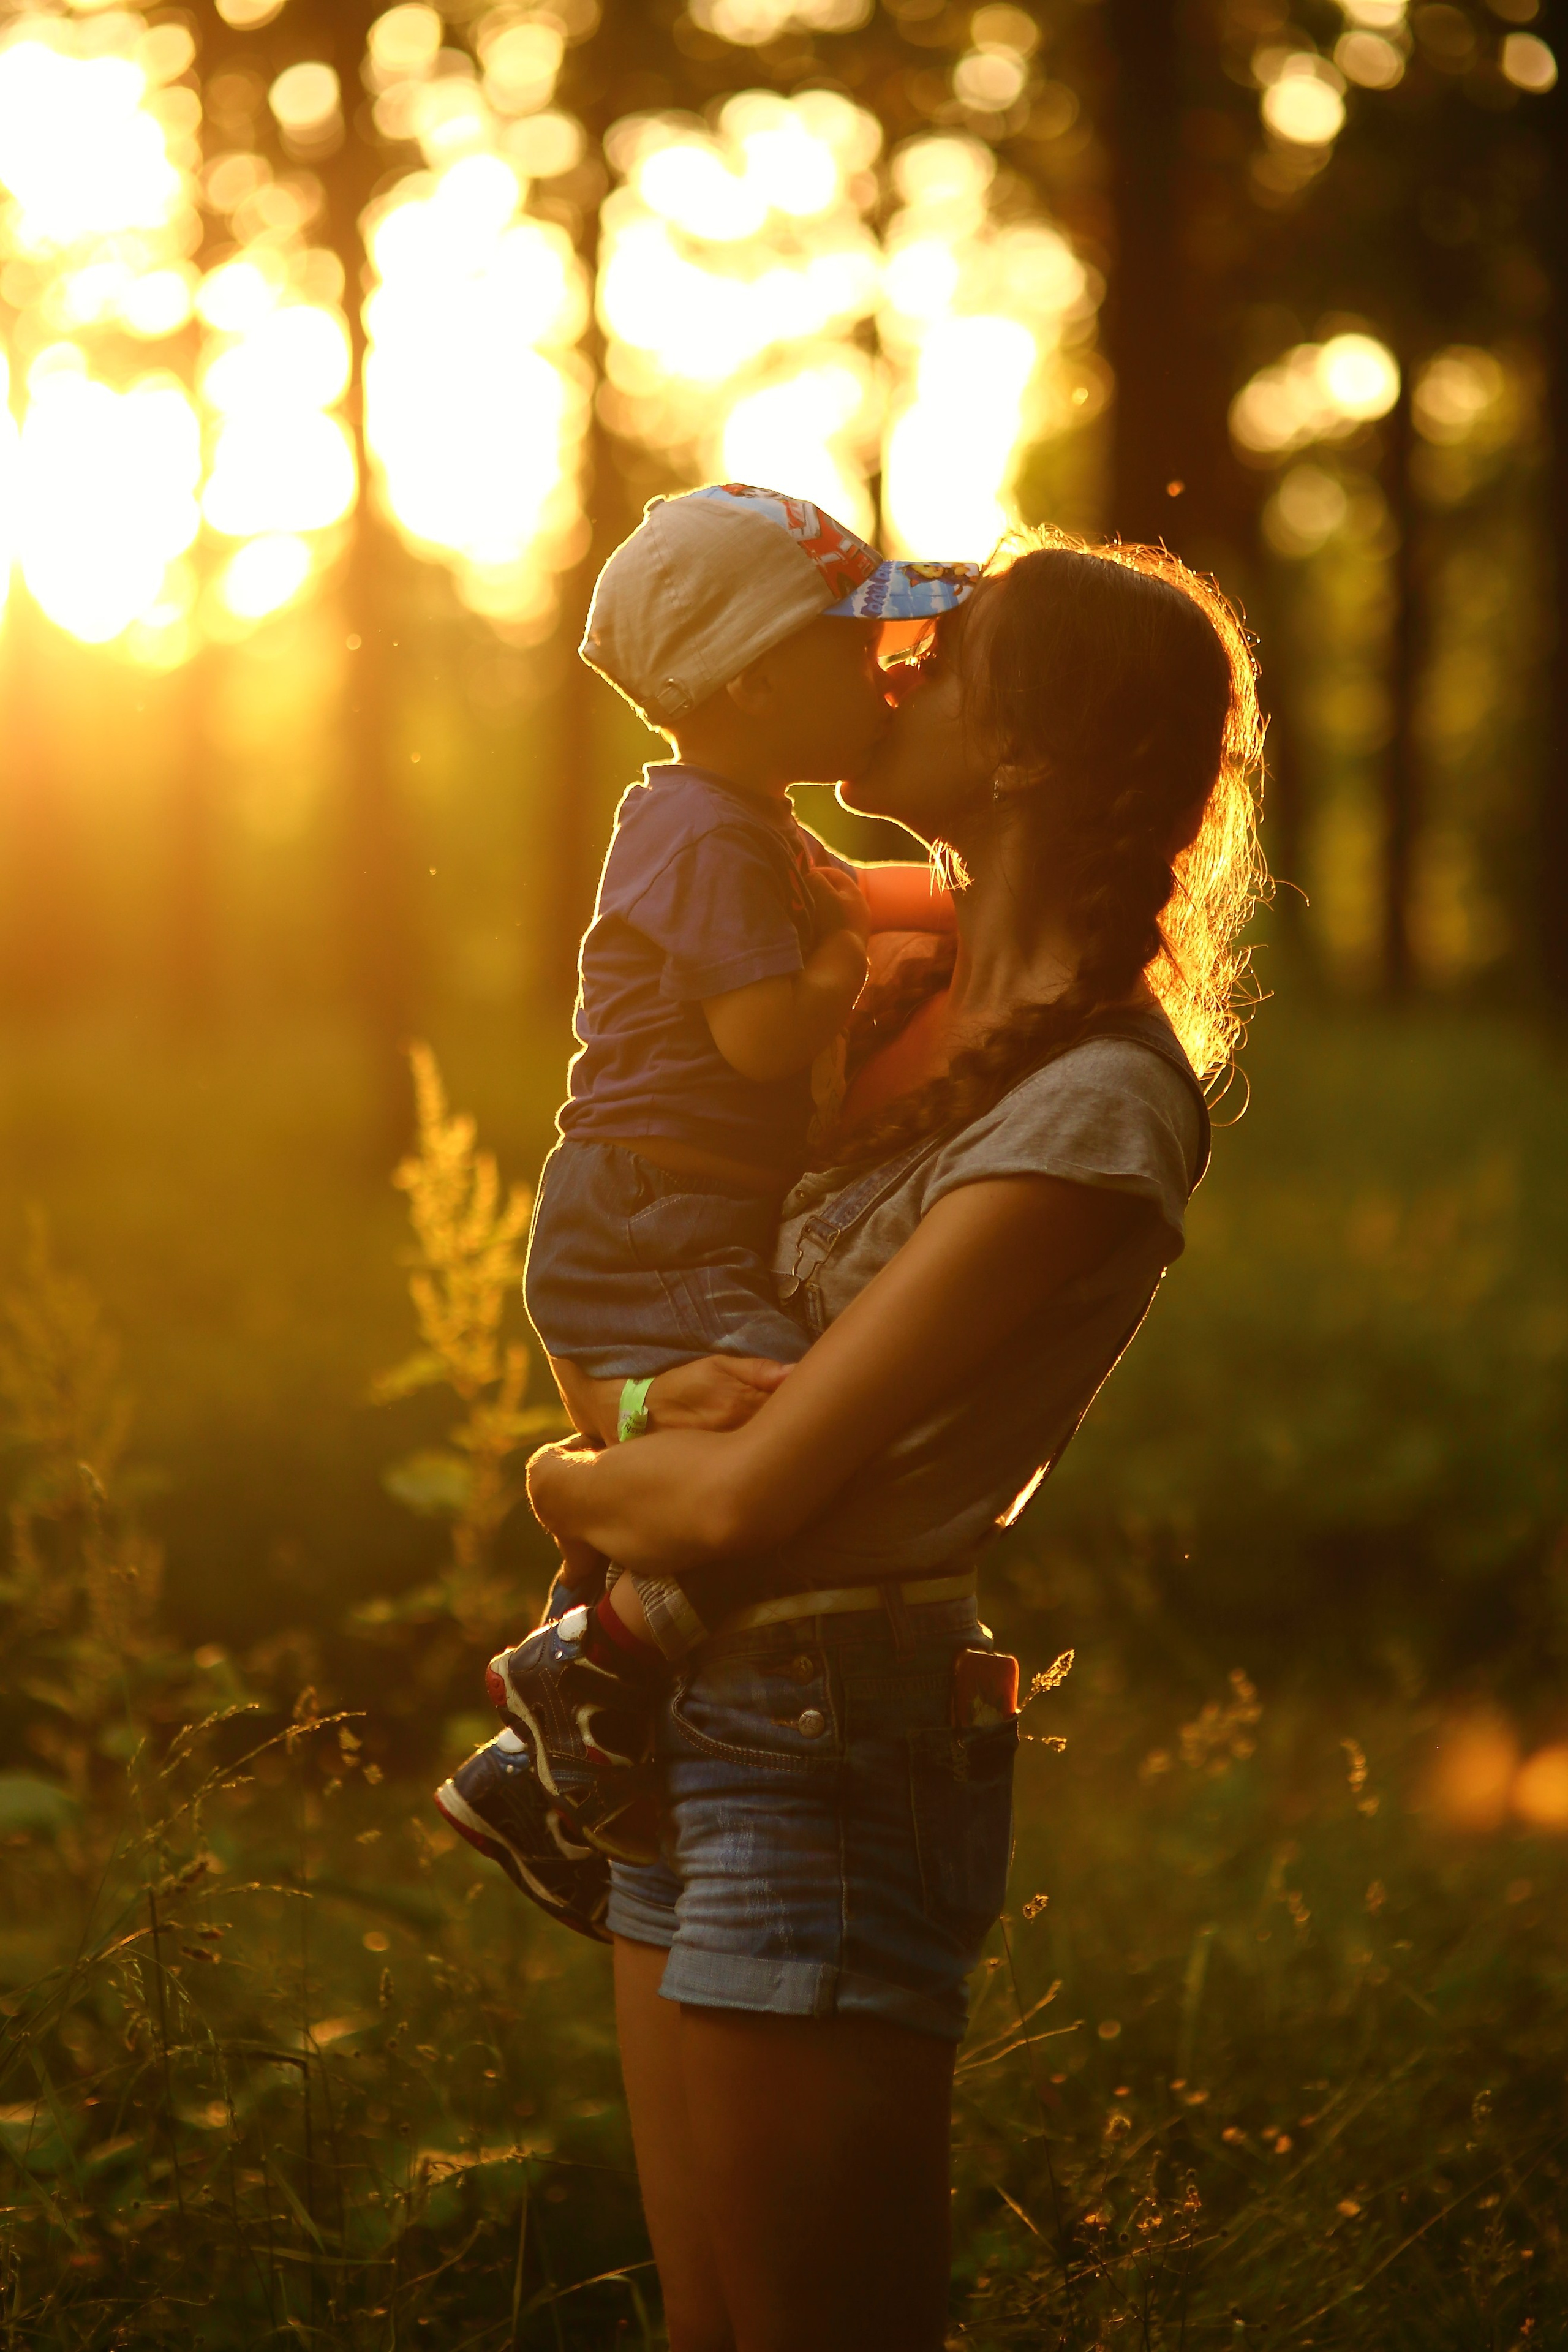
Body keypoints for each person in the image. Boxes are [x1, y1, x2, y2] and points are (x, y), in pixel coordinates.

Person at [522, 531, 1265, 2351]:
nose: (898, 661)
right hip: (688, 1723)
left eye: (952, 651)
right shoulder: (901, 1017)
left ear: (1024, 750)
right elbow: (659, 1354)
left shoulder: (1096, 1107)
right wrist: (611, 1438)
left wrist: (555, 1484)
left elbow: (758, 1491)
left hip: (834, 1739)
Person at [435, 483, 977, 1894]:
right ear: (752, 681)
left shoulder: (744, 818)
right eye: (853, 645)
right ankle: (583, 1672)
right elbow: (754, 1032)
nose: (886, 668)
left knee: (726, 1449)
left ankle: (539, 1762)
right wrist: (840, 980)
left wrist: (978, 909)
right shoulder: (702, 833)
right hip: (651, 1205)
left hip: (673, 1204)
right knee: (788, 1447)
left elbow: (872, 897)